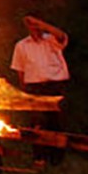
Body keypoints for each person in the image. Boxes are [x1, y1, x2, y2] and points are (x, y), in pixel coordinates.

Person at [10, 14, 70, 165]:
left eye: (37, 25)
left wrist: (42, 24)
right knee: (37, 123)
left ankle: (57, 159)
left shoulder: (51, 40)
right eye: (31, 26)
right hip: (34, 87)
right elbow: (20, 69)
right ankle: (40, 157)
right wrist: (23, 89)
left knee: (56, 123)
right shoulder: (21, 45)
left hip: (54, 85)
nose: (34, 28)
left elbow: (61, 35)